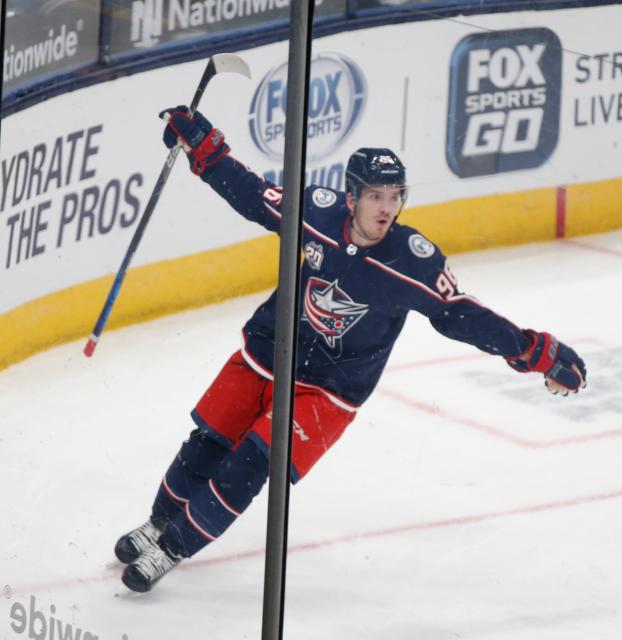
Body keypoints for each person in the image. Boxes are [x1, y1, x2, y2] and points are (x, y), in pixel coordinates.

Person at [115, 106, 587, 593]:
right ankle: (155, 524)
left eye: (395, 197)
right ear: (351, 196)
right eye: (375, 196)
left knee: (252, 464)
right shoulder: (316, 212)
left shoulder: (412, 260)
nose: (387, 208)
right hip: (270, 351)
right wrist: (206, 150)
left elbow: (460, 314)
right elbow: (255, 196)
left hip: (330, 391)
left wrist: (534, 352)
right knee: (209, 441)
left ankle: (170, 549)